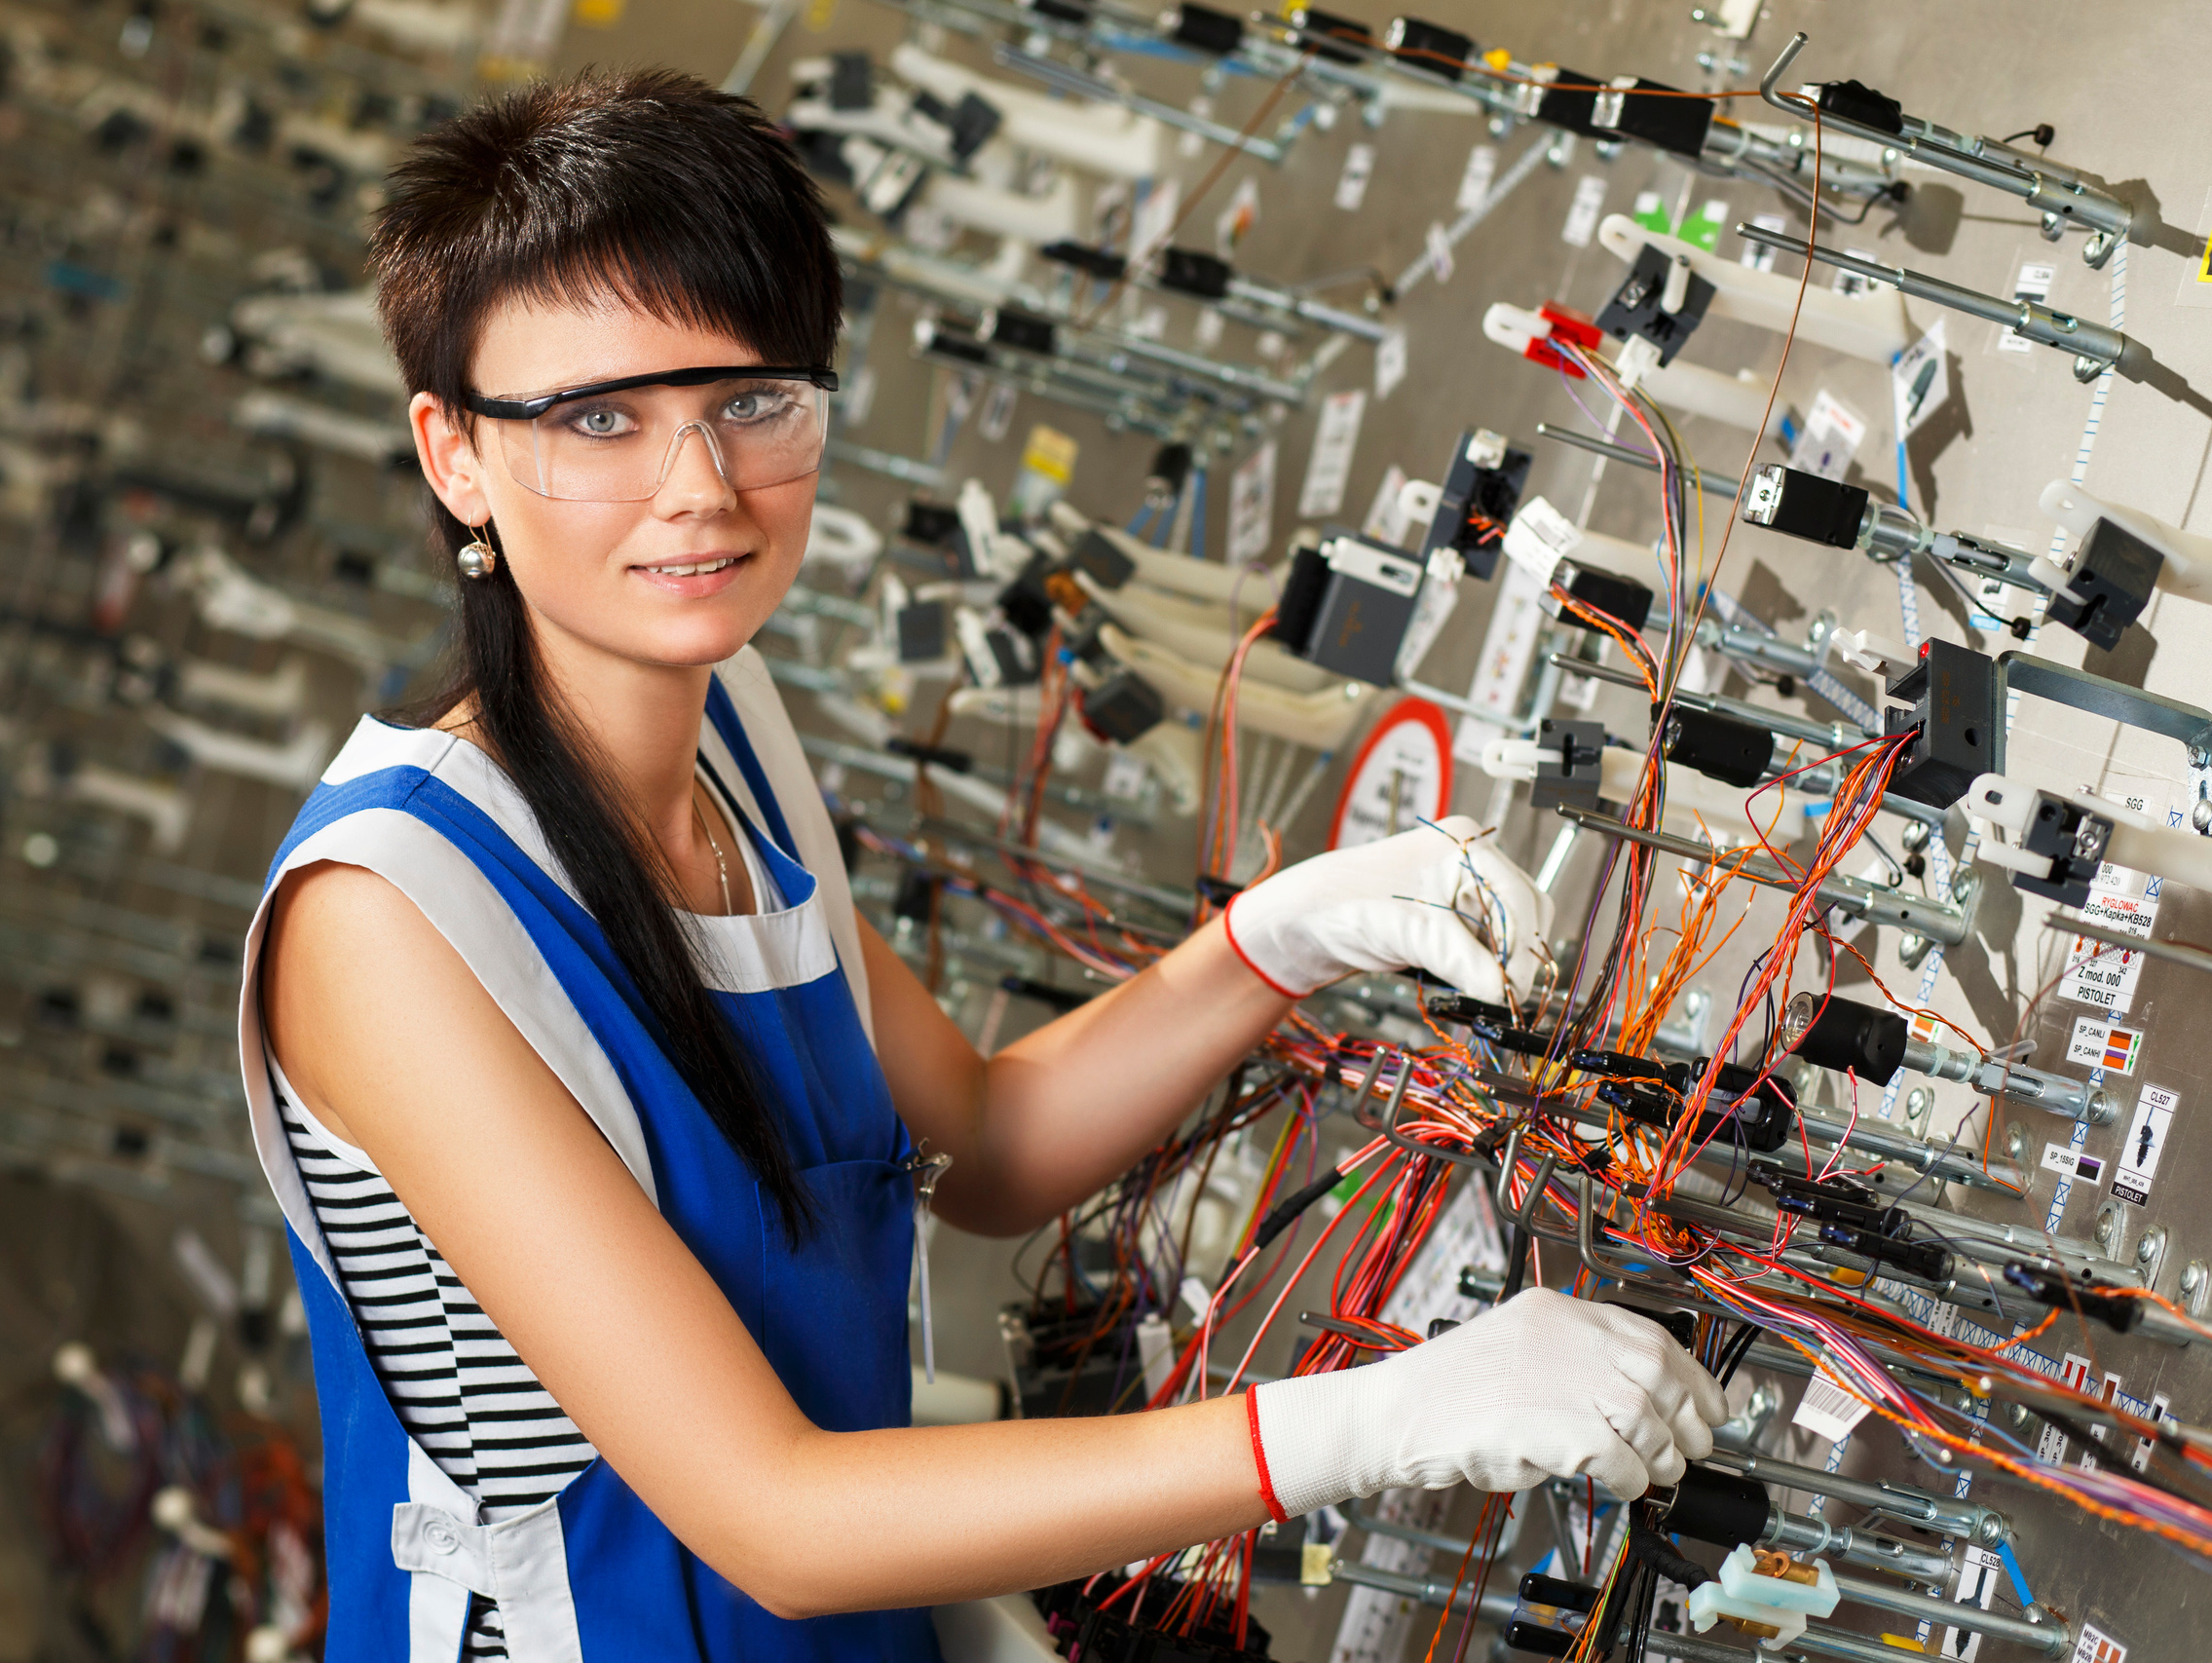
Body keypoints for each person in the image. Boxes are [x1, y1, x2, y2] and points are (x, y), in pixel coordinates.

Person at [240, 66, 1728, 1663]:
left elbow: (987, 1144)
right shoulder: (389, 921)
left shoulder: (726, 726)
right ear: (454, 454)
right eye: (598, 420)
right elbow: (777, 1517)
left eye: (750, 401)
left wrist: (1282, 941)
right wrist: (1370, 1422)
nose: (702, 491)